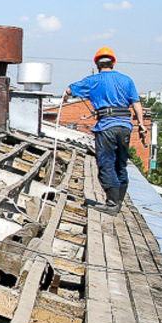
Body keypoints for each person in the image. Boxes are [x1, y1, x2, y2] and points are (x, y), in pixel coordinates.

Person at [64, 47, 147, 213]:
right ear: (113, 63)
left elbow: (69, 90)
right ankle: (118, 202)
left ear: (97, 64)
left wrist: (67, 95)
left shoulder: (93, 81)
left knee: (106, 163)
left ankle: (112, 204)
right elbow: (136, 104)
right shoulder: (126, 80)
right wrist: (142, 125)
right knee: (121, 164)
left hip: (106, 127)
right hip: (124, 127)